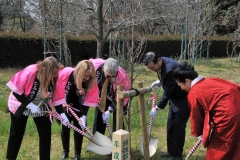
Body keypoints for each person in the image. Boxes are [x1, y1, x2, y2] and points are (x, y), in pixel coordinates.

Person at [173, 62, 240, 160]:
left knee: (220, 146)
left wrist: (199, 133)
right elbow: (236, 87)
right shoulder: (212, 79)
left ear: (187, 81)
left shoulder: (194, 93)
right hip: (237, 105)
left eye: (180, 85)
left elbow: (196, 116)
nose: (181, 88)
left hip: (228, 116)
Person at [6, 56, 64, 160]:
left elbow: (58, 96)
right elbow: (16, 91)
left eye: (56, 73)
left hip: (41, 106)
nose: (56, 76)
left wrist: (62, 114)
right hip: (21, 103)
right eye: (53, 73)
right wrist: (29, 105)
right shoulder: (30, 72)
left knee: (45, 135)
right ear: (45, 70)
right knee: (16, 134)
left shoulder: (55, 78)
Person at [143, 51, 190, 160]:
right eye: (149, 69)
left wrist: (157, 108)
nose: (152, 70)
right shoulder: (161, 61)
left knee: (178, 127)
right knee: (171, 125)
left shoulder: (170, 70)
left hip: (184, 98)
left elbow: (167, 92)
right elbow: (167, 80)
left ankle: (177, 156)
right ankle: (170, 151)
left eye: (152, 68)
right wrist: (160, 81)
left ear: (158, 60)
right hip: (175, 98)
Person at [52, 60, 98, 160]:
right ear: (79, 72)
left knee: (78, 130)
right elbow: (57, 89)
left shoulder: (89, 82)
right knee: (65, 129)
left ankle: (77, 154)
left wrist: (84, 115)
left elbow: (89, 99)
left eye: (89, 76)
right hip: (65, 106)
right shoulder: (67, 74)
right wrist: (61, 110)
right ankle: (65, 152)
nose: (87, 78)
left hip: (78, 108)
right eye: (85, 75)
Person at [88, 58, 131, 135]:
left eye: (113, 76)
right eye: (108, 76)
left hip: (116, 95)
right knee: (99, 116)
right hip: (102, 92)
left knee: (118, 116)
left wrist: (110, 109)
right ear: (103, 69)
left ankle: (117, 140)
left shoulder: (123, 77)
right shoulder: (94, 68)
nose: (111, 79)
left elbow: (122, 97)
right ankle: (98, 140)